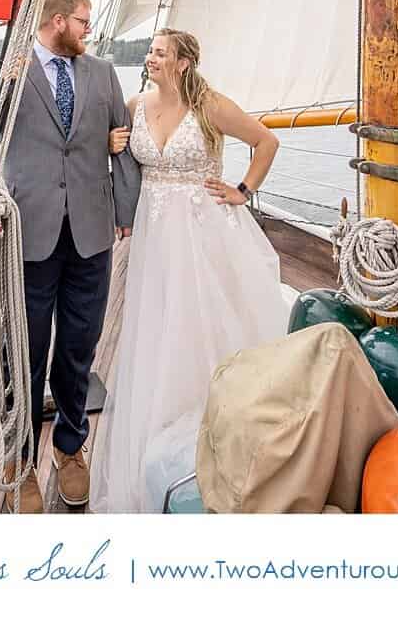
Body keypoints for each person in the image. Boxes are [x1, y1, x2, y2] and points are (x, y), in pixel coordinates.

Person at [0, 0, 140, 511]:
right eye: (83, 22)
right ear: (57, 22)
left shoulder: (102, 73)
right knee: (26, 352)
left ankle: (68, 446)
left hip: (91, 231)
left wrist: (125, 213)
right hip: (29, 233)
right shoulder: (1, 65)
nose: (89, 31)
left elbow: (120, 142)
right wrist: (4, 80)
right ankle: (19, 460)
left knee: (80, 345)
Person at [90, 28, 284, 513]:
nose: (150, 58)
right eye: (151, 51)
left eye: (159, 52)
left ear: (181, 62)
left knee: (205, 320)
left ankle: (221, 430)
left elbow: (266, 141)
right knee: (157, 326)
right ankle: (164, 431)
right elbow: (124, 167)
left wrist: (243, 189)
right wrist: (113, 146)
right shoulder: (135, 106)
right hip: (153, 232)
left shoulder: (210, 104)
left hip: (203, 229)